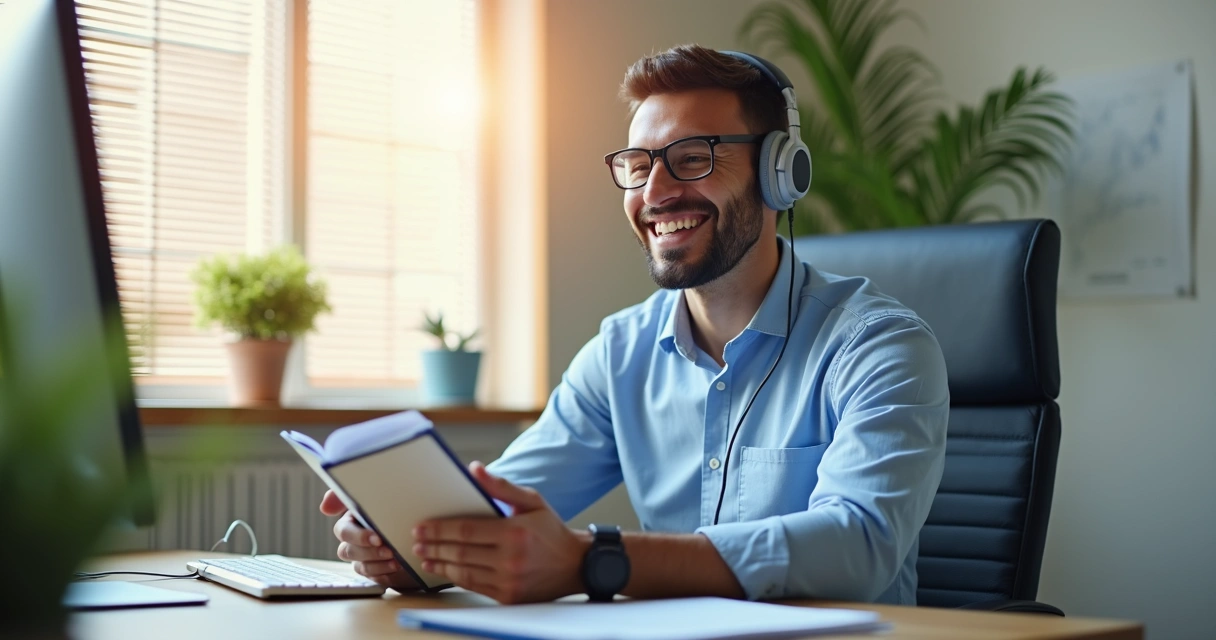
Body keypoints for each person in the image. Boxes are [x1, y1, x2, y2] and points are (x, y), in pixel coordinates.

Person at [319, 44, 949, 606]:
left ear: (778, 173)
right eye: (639, 165)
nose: (656, 191)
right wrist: (413, 544)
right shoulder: (621, 352)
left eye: (692, 158)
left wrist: (594, 560)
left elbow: (859, 546)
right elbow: (502, 513)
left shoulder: (878, 346)